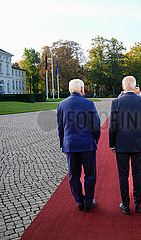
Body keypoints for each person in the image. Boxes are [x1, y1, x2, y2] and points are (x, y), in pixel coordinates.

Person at [109, 76, 141, 215]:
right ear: (134, 87)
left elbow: (112, 127)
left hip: (121, 144)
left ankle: (126, 205)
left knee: (123, 175)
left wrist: (112, 144)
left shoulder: (116, 102)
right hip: (138, 143)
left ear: (123, 87)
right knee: (137, 174)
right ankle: (138, 203)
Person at [57, 79, 101, 212]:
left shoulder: (62, 105)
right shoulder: (89, 103)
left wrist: (63, 144)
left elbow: (60, 128)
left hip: (70, 145)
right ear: (81, 89)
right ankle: (88, 201)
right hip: (87, 145)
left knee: (74, 176)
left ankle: (79, 201)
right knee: (90, 175)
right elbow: (96, 126)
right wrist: (95, 140)